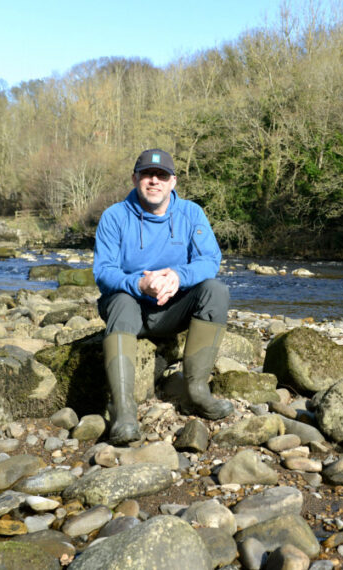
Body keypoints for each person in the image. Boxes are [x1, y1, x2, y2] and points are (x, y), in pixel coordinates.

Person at [93, 149, 233, 444]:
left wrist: (179, 276)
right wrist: (139, 284)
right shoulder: (114, 216)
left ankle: (197, 392)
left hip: (173, 309)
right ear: (135, 179)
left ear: (173, 182)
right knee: (120, 298)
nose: (154, 181)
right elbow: (103, 272)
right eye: (147, 175)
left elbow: (210, 260)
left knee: (216, 291)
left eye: (162, 176)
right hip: (129, 311)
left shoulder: (192, 213)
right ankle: (123, 412)